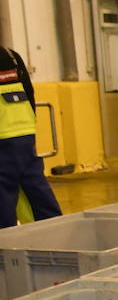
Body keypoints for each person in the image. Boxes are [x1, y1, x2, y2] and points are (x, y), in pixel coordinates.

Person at [0, 47, 62, 228]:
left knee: (4, 196)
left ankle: (5, 246)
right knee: (34, 188)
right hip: (24, 131)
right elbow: (29, 92)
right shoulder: (11, 55)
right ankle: (55, 234)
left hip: (3, 135)